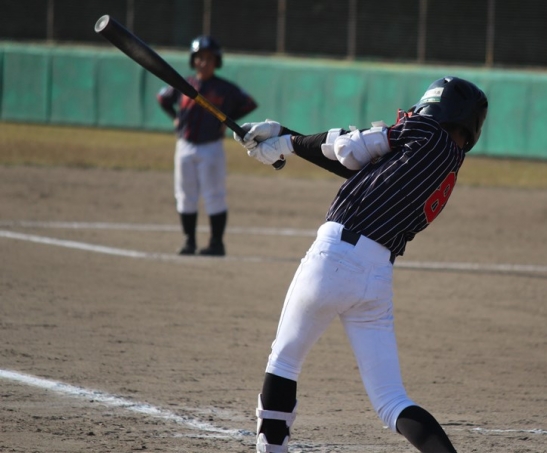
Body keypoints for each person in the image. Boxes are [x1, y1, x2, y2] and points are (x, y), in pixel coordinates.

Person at [235, 76, 488, 452]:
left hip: (334, 258)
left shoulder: (424, 130)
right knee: (392, 401)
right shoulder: (446, 160)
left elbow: (347, 147)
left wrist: (285, 142)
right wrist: (284, 137)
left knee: (284, 362)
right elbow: (361, 167)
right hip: (376, 278)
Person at [157, 35, 257, 256]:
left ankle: (216, 244)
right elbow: (163, 98)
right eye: (200, 58)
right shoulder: (184, 84)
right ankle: (189, 241)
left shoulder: (224, 88)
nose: (204, 62)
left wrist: (227, 122)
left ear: (216, 61)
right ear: (193, 60)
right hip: (184, 145)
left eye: (209, 58)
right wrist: (175, 118)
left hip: (211, 147)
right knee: (185, 194)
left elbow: (249, 103)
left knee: (214, 195)